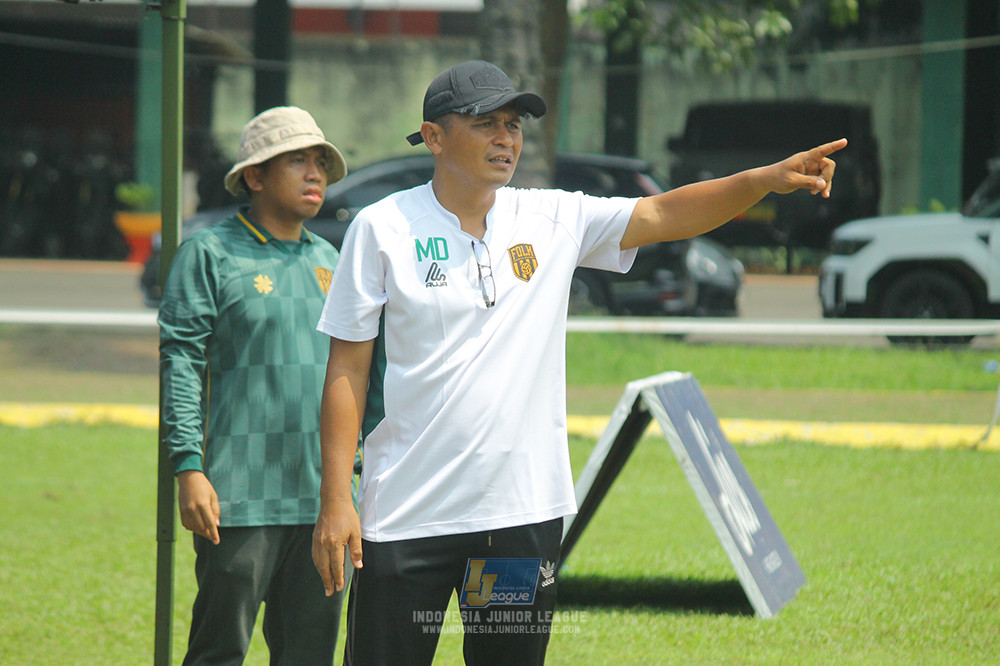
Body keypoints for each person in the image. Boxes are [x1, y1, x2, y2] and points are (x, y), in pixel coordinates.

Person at [311, 60, 846, 665]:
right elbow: (346, 372)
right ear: (434, 136)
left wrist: (760, 181)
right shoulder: (382, 227)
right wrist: (337, 499)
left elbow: (665, 215)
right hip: (407, 517)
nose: (506, 138)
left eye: (513, 125)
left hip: (516, 520)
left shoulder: (552, 218)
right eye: (486, 123)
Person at [160, 106, 349, 665]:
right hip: (237, 497)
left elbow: (361, 375)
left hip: (324, 499)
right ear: (255, 176)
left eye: (320, 161)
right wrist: (188, 468)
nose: (314, 173)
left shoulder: (332, 261)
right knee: (219, 652)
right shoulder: (209, 254)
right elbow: (181, 364)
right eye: (297, 161)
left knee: (309, 655)